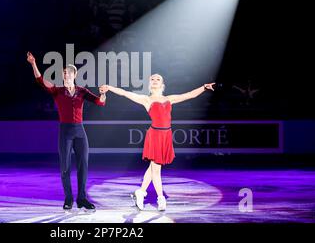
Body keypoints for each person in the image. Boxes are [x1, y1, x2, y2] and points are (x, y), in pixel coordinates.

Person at [100, 75, 214, 211]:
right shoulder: (146, 100)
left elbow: (189, 95)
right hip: (155, 135)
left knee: (153, 168)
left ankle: (141, 192)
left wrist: (204, 87)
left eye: (157, 79)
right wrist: (110, 88)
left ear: (162, 84)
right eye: (152, 79)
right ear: (149, 83)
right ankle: (161, 198)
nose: (154, 81)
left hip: (166, 135)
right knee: (156, 168)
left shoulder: (169, 99)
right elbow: (125, 93)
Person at [27, 52, 107, 211]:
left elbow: (99, 102)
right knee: (65, 166)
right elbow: (40, 80)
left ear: (74, 75)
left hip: (79, 131)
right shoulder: (57, 90)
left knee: (83, 164)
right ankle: (69, 198)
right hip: (65, 131)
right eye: (63, 73)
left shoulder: (82, 91)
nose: (65, 75)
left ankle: (82, 199)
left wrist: (103, 93)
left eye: (68, 72)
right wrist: (33, 63)